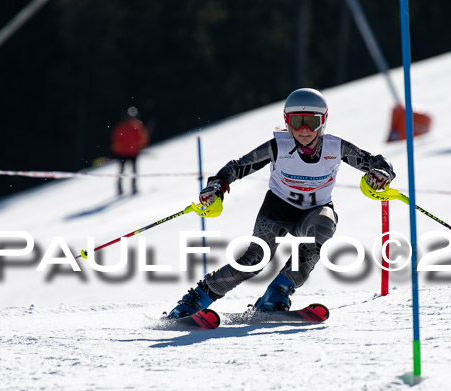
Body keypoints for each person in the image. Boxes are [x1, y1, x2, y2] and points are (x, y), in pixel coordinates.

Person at [167, 88, 395, 318]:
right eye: (297, 122)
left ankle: (277, 292)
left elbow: (375, 162)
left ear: (323, 120)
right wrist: (217, 186)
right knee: (255, 260)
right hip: (277, 210)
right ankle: (195, 300)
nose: (304, 130)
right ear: (287, 122)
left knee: (323, 227)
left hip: (314, 212)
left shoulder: (336, 148)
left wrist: (381, 173)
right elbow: (237, 167)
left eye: (311, 122)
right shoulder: (278, 146)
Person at [111, 106, 149, 196]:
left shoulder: (123, 127)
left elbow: (116, 141)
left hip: (126, 153)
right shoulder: (136, 126)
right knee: (131, 171)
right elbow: (142, 140)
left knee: (123, 171)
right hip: (130, 153)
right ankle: (132, 188)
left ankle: (122, 188)